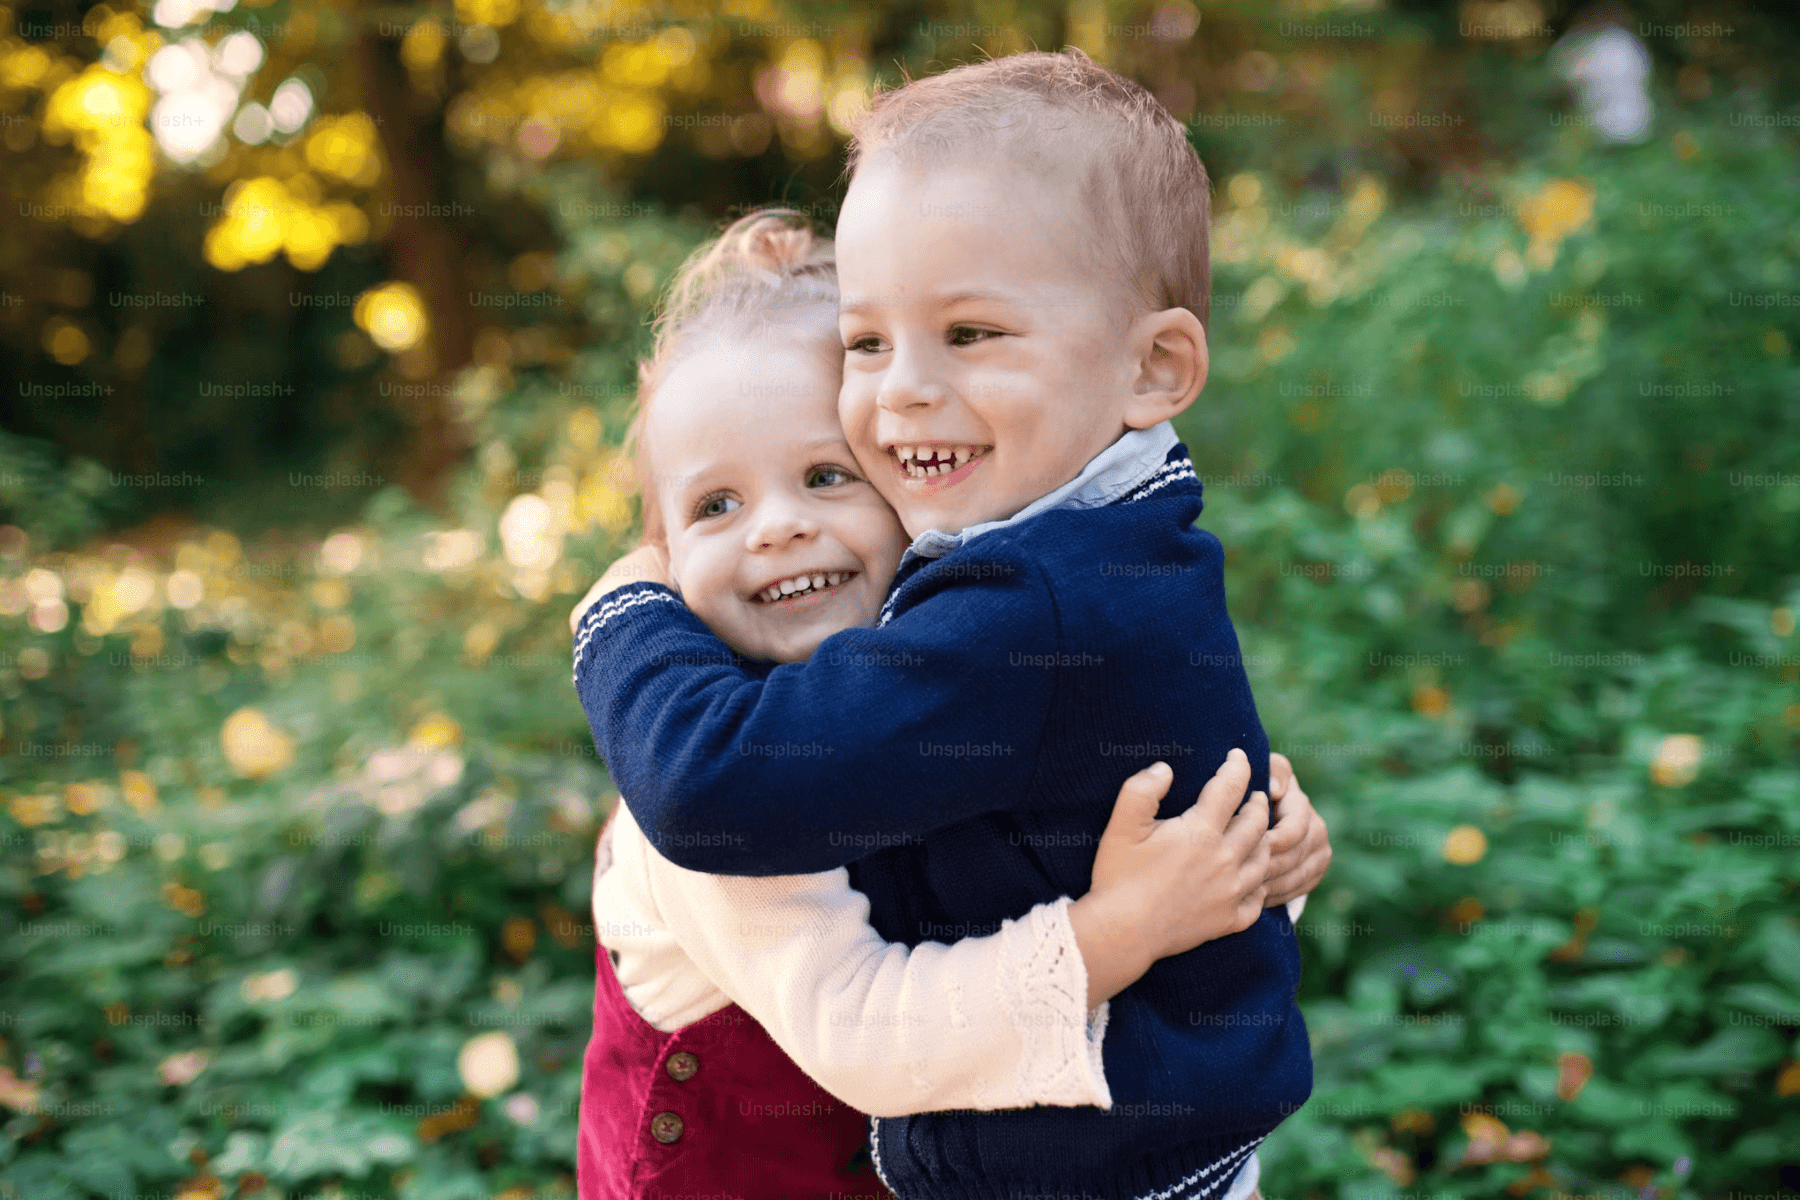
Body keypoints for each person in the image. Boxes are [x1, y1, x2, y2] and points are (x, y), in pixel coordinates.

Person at [575, 50, 1320, 1199]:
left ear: (1154, 364)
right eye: (870, 346)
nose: (906, 392)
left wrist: (617, 614)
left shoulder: (1022, 600)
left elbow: (731, 780)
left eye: (969, 333)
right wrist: (1210, 872)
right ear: (667, 541)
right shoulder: (1115, 536)